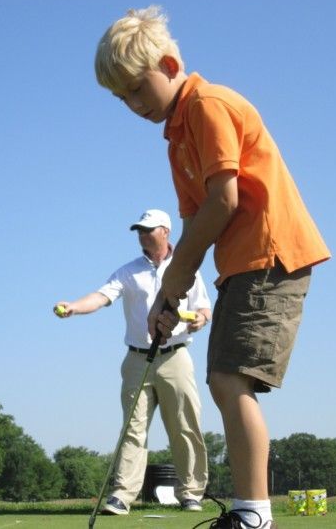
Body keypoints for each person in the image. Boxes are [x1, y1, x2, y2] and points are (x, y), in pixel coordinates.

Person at [94, 7, 330, 529]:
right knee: (225, 380)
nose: (132, 104)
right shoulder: (176, 138)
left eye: (136, 89)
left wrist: (175, 281)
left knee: (228, 379)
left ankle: (254, 514)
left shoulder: (207, 105)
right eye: (121, 98)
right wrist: (166, 300)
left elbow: (222, 202)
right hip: (240, 265)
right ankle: (251, 511)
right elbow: (190, 223)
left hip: (271, 254)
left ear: (170, 64)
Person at [54, 209, 211, 515]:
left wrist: (201, 319)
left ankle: (191, 492)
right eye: (139, 229)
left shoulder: (186, 268)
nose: (142, 234)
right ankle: (122, 496)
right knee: (132, 429)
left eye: (148, 229)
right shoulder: (128, 271)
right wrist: (74, 306)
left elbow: (204, 308)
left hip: (175, 357)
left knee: (184, 426)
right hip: (137, 358)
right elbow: (101, 296)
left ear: (165, 232)